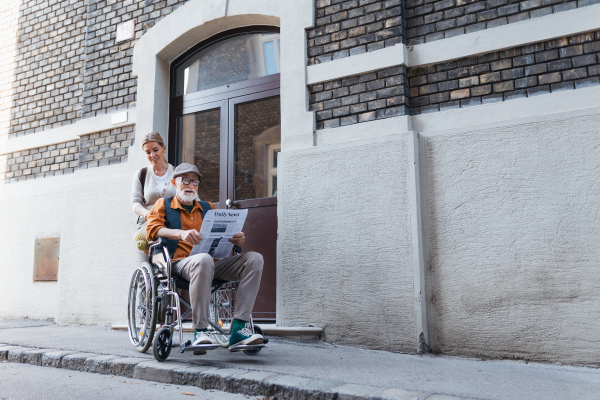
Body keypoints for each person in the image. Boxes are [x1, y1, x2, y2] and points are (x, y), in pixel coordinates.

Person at [145, 162, 265, 352]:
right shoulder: (164, 204)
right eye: (185, 180)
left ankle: (239, 329)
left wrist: (236, 239)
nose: (190, 185)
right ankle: (200, 331)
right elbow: (151, 231)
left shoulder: (207, 207)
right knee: (203, 259)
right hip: (178, 264)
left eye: (194, 181)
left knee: (255, 259)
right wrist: (180, 234)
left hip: (210, 263)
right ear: (174, 183)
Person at [130, 132, 176, 259]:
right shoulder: (141, 174)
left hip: (174, 222)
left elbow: (193, 198)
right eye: (148, 152)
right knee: (144, 256)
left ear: (164, 148)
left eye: (156, 150)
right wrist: (147, 213)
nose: (152, 155)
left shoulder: (177, 173)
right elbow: (135, 203)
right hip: (149, 222)